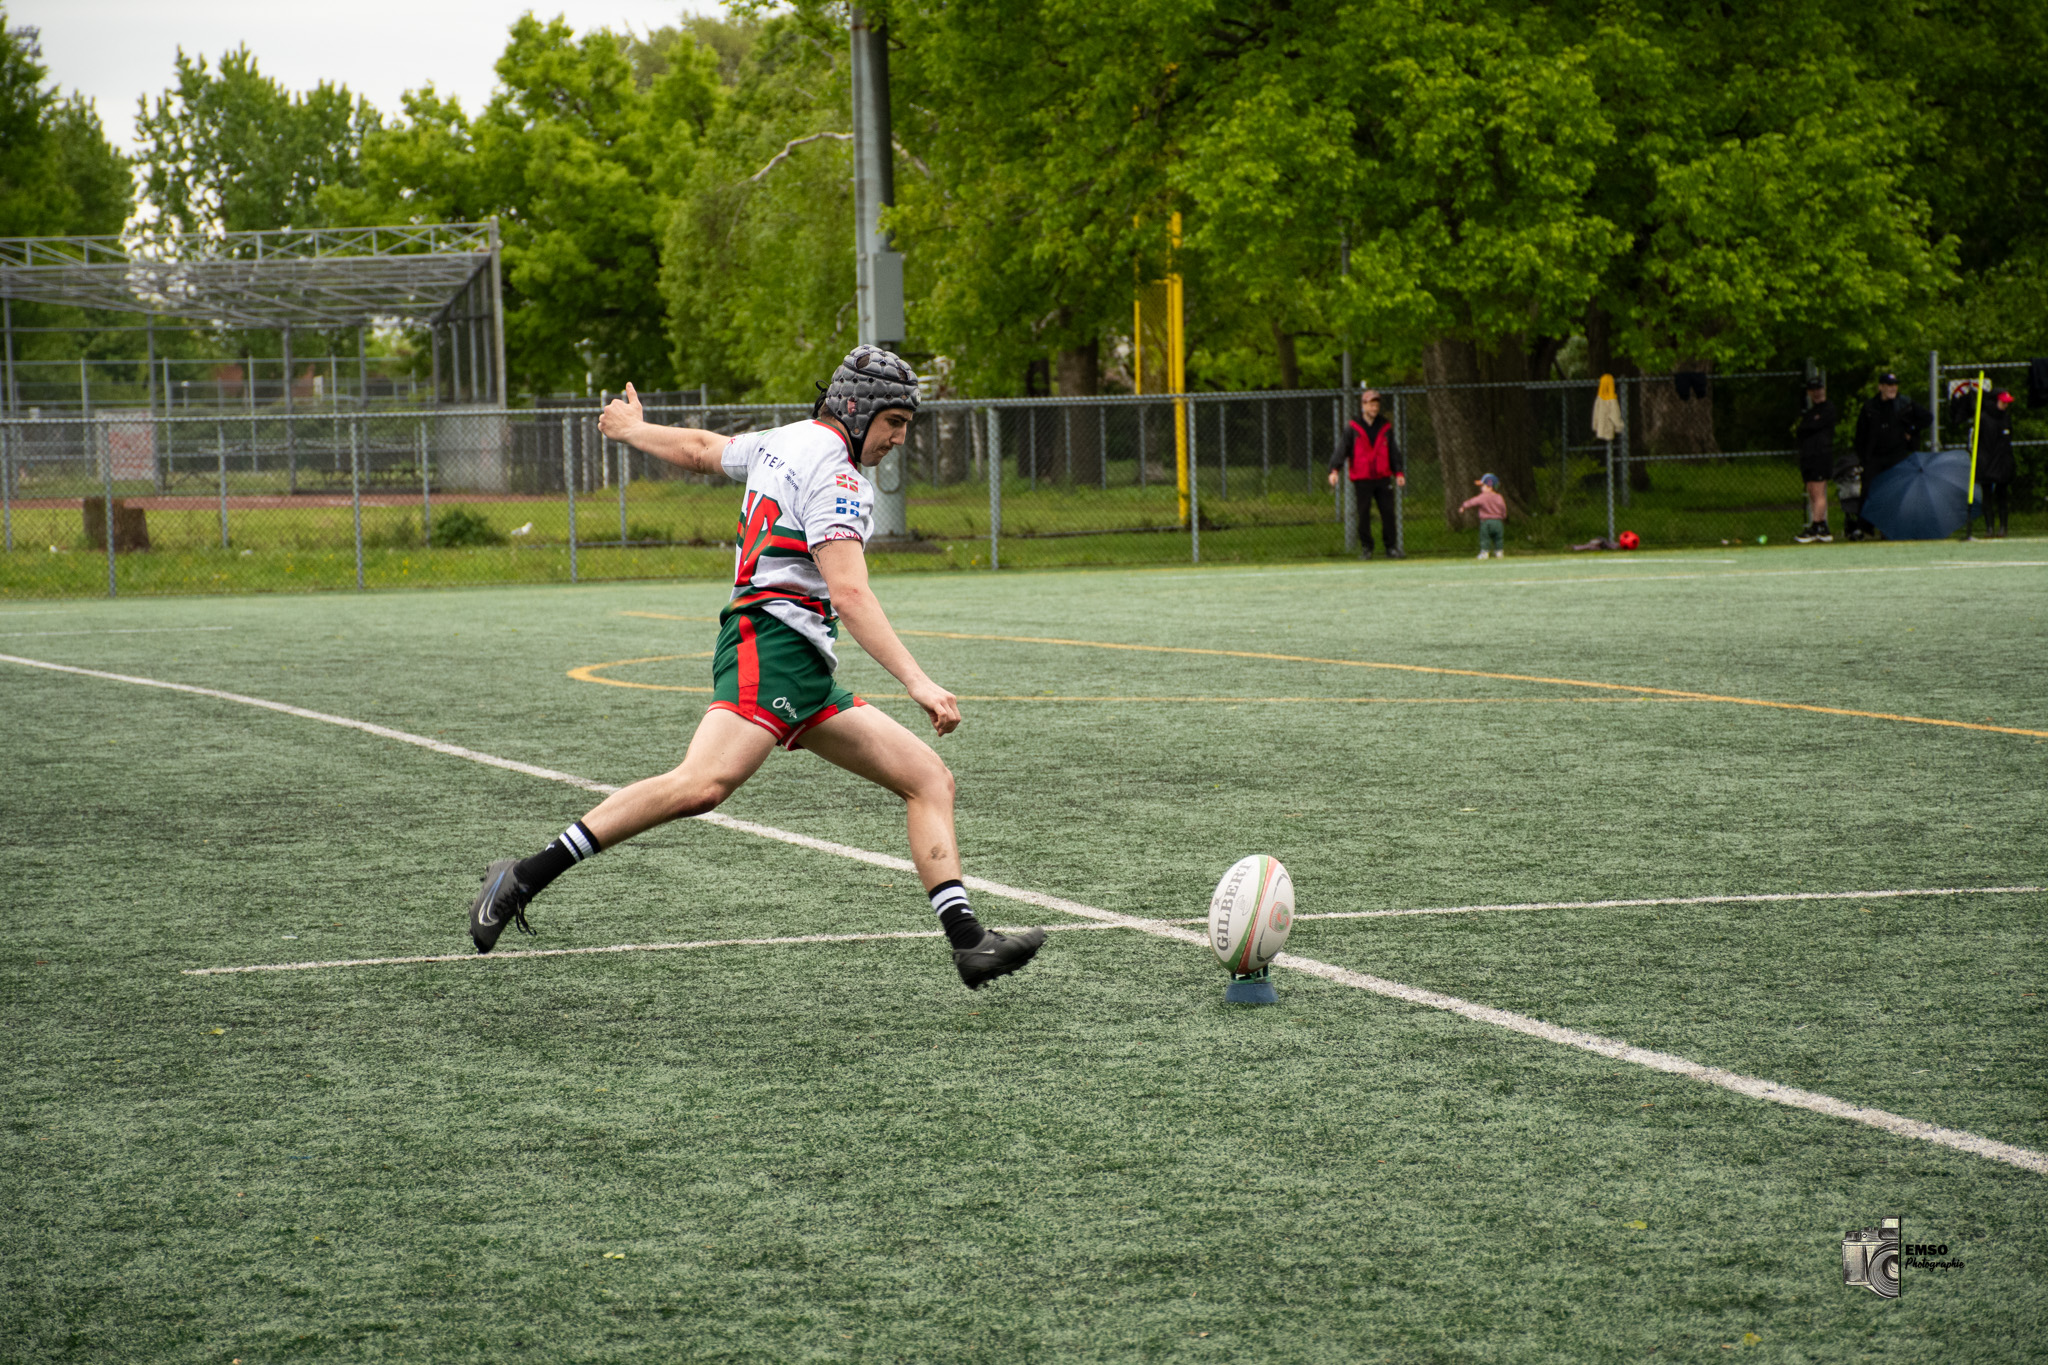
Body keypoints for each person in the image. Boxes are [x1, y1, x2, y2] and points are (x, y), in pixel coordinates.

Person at [466, 345, 1046, 991]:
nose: (899, 438)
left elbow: (701, 448)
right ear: (856, 410)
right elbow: (850, 592)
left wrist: (633, 429)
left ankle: (970, 943)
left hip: (801, 660)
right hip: (768, 644)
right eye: (894, 422)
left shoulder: (786, 438)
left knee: (927, 779)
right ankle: (521, 877)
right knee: (702, 785)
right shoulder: (839, 475)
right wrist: (918, 680)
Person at [1850, 370, 1933, 539]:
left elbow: (1927, 418)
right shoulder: (1870, 407)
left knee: (1896, 491)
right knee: (1869, 490)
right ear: (1881, 387)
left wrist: (1911, 429)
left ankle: (1890, 528)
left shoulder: (1905, 403)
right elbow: (1860, 435)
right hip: (1875, 456)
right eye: (1889, 385)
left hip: (1897, 455)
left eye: (1894, 385)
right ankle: (1863, 527)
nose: (1892, 388)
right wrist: (1863, 457)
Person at [1327, 388, 1406, 559]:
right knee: (1363, 514)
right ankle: (1367, 548)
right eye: (1371, 404)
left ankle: (1391, 547)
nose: (1374, 408)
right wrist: (1334, 470)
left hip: (1383, 477)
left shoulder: (1385, 426)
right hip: (1362, 478)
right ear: (1363, 405)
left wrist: (1398, 472)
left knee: (1388, 512)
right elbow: (1342, 449)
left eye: (1376, 404)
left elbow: (1393, 450)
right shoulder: (1353, 427)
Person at [1793, 378, 1837, 543]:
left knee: (1819, 491)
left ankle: (1817, 525)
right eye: (1813, 390)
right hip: (1809, 455)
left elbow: (1810, 427)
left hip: (1821, 454)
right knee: (1812, 491)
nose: (1817, 392)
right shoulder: (1810, 412)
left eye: (1819, 389)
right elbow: (1802, 430)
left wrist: (1808, 427)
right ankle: (1820, 525)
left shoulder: (1828, 409)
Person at [1977, 389, 2016, 538]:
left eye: (2007, 403)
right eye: (2003, 402)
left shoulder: (2006, 418)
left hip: (2002, 462)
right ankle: (1989, 528)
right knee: (1987, 496)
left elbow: (2008, 437)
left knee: (2002, 495)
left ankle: (2003, 528)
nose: (2005, 405)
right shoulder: (1983, 418)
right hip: (1986, 461)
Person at [1459, 473, 1507, 558]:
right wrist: (1503, 516)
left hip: (1486, 522)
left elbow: (1472, 502)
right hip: (1498, 522)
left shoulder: (1482, 497)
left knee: (1485, 537)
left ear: (1489, 486)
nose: (1481, 488)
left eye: (1483, 486)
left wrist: (1464, 506)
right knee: (1498, 538)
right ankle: (1499, 552)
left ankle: (1485, 552)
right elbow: (1503, 507)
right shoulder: (1499, 497)